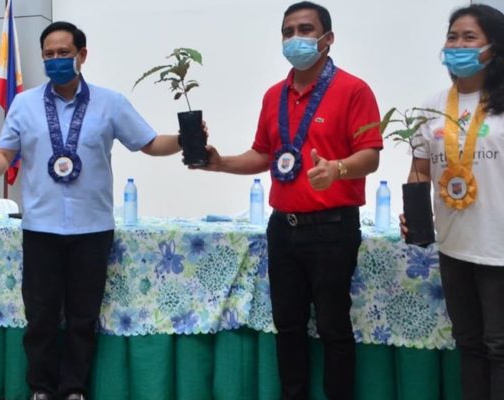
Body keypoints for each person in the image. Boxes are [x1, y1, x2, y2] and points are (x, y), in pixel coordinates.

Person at [0, 21, 184, 400]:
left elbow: (150, 143)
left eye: (64, 53)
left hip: (92, 229)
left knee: (82, 318)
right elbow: (5, 152)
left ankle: (74, 390)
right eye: (49, 55)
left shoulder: (110, 103)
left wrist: (187, 139)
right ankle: (40, 389)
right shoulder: (24, 104)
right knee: (40, 318)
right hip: (40, 228)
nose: (56, 60)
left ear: (82, 56)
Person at [198, 2, 382, 399]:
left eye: (305, 29)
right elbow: (265, 155)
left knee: (334, 328)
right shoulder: (274, 96)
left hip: (333, 227)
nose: (295, 38)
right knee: (289, 326)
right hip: (283, 227)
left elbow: (371, 155)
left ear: (327, 40)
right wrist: (220, 163)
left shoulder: (354, 90)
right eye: (288, 31)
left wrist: (337, 169)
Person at [400, 4, 504, 400]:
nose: (457, 45)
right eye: (452, 37)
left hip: (499, 249)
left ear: (493, 48)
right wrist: (414, 213)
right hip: (454, 245)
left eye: (469, 37)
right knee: (468, 343)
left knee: (499, 346)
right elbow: (421, 170)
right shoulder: (429, 107)